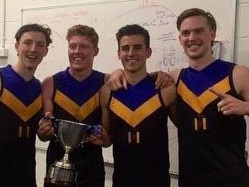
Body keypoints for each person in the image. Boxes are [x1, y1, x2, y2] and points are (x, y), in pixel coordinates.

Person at [168, 8, 249, 187]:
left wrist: (246, 107)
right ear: (180, 39)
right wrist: (119, 72)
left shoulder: (238, 74)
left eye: (199, 31)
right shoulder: (174, 79)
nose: (191, 38)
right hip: (190, 179)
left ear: (212, 34)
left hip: (232, 179)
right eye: (186, 33)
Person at [90, 24, 176, 187]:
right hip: (122, 180)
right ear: (119, 53)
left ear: (148, 52)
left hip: (157, 180)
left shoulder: (165, 88)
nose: (131, 53)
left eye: (137, 47)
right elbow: (108, 139)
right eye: (125, 48)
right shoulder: (107, 92)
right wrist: (101, 137)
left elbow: (186, 129)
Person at [0, 23, 52, 187]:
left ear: (46, 51)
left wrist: (45, 132)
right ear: (17, 46)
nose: (33, 49)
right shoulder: (1, 78)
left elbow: (42, 136)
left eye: (40, 45)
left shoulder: (40, 88)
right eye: (27, 42)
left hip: (25, 173)